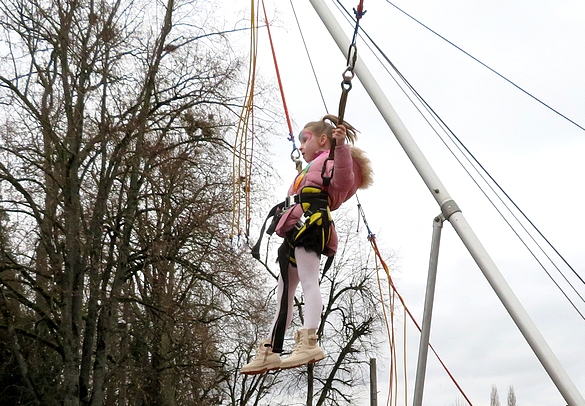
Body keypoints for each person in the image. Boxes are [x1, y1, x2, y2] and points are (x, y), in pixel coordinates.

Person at [242, 114, 373, 375]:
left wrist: (341, 146)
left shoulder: (332, 159)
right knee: (284, 291)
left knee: (309, 280)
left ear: (322, 139)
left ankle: (309, 338)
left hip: (312, 223)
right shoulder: (310, 168)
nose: (301, 146)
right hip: (296, 224)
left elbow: (344, 180)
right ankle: (271, 347)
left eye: (305, 140)